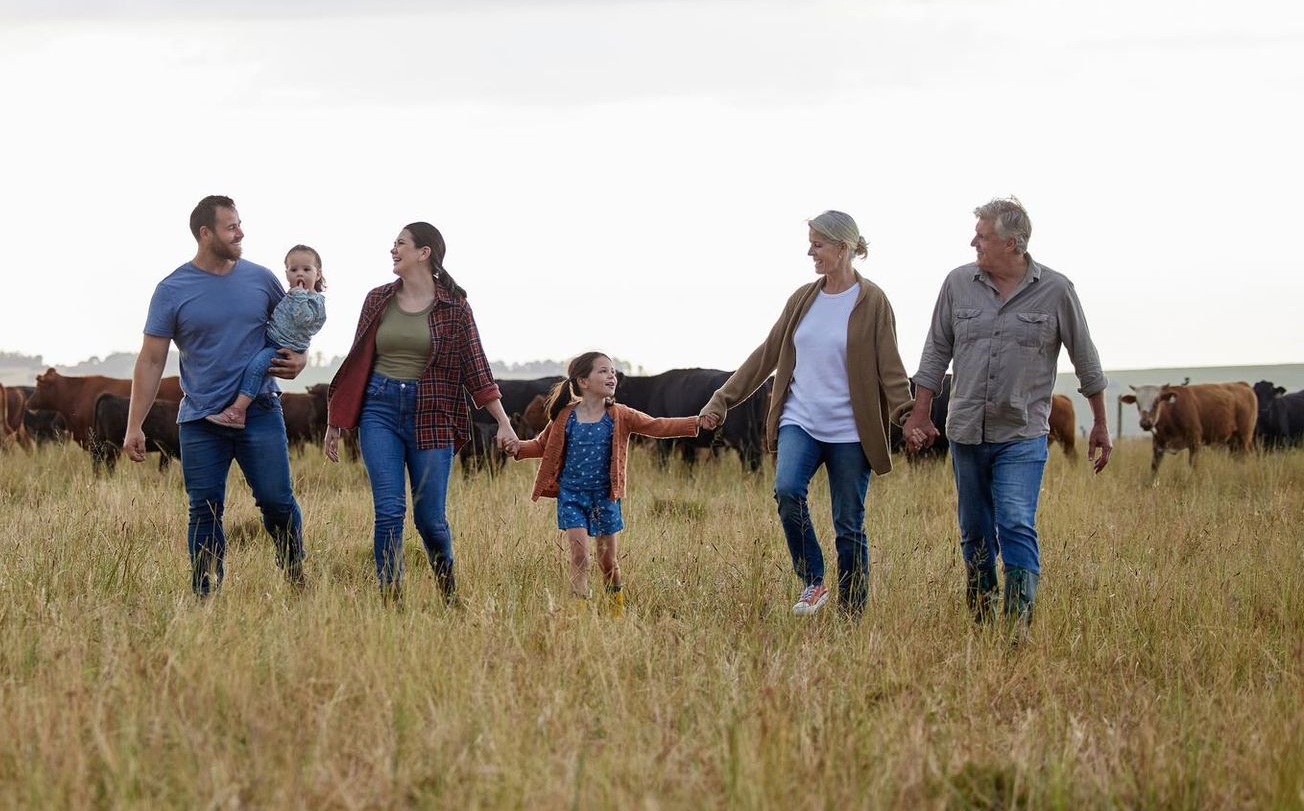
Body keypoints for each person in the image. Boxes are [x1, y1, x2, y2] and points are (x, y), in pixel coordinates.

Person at [901, 197, 1111, 635]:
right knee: (975, 530)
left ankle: (1017, 624)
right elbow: (936, 351)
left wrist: (1102, 425)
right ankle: (981, 616)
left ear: (1012, 243)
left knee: (1015, 521)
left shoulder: (1057, 290)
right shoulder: (957, 284)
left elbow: (1086, 360)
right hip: (965, 432)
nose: (973, 241)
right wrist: (920, 414)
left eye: (983, 236)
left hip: (1022, 432)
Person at [697, 212, 914, 619]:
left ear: (843, 247)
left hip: (851, 430)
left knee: (848, 526)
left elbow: (890, 366)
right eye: (810, 242)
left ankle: (851, 613)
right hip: (801, 419)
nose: (810, 251)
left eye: (817, 243)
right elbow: (767, 355)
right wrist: (722, 399)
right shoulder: (803, 299)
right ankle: (813, 580)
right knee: (788, 490)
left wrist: (908, 414)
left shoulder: (873, 302)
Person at [322, 222, 518, 602]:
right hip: (379, 408)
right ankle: (390, 599)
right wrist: (337, 420)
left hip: (433, 414)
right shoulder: (377, 299)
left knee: (430, 520)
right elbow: (357, 362)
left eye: (400, 244)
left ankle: (448, 594)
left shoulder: (455, 307)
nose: (393, 250)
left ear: (424, 252)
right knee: (390, 511)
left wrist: (504, 423)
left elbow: (476, 367)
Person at [126, 196, 307, 596]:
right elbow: (152, 360)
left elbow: (294, 331)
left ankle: (295, 573)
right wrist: (134, 425)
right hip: (200, 420)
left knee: (277, 502)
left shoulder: (262, 279)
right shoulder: (172, 289)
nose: (240, 232)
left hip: (260, 410)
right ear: (205, 233)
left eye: (240, 224)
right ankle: (206, 592)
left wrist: (300, 361)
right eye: (231, 226)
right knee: (204, 509)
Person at [513, 351, 705, 613]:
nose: (611, 375)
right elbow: (541, 446)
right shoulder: (565, 417)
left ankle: (616, 610)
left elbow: (657, 426)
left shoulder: (620, 415)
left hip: (605, 497)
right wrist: (517, 448)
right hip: (572, 497)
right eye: (603, 370)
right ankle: (579, 615)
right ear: (583, 381)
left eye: (612, 371)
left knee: (608, 562)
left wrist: (695, 423)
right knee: (580, 557)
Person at [208, 245, 327, 428]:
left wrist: (300, 297)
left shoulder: (314, 300)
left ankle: (237, 411)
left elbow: (307, 322)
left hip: (281, 347)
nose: (300, 275)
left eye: (306, 269)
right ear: (286, 273)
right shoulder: (291, 294)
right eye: (294, 270)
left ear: (317, 274)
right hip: (270, 337)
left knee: (257, 368)